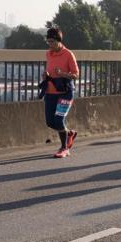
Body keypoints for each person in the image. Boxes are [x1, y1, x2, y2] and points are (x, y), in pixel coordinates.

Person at [42, 27, 79, 158]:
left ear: (59, 40)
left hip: (65, 92)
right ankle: (69, 133)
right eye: (48, 41)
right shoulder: (48, 54)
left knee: (58, 120)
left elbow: (76, 75)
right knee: (50, 122)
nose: (50, 44)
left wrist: (62, 74)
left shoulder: (68, 54)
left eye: (52, 41)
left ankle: (64, 148)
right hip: (51, 91)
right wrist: (46, 75)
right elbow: (50, 70)